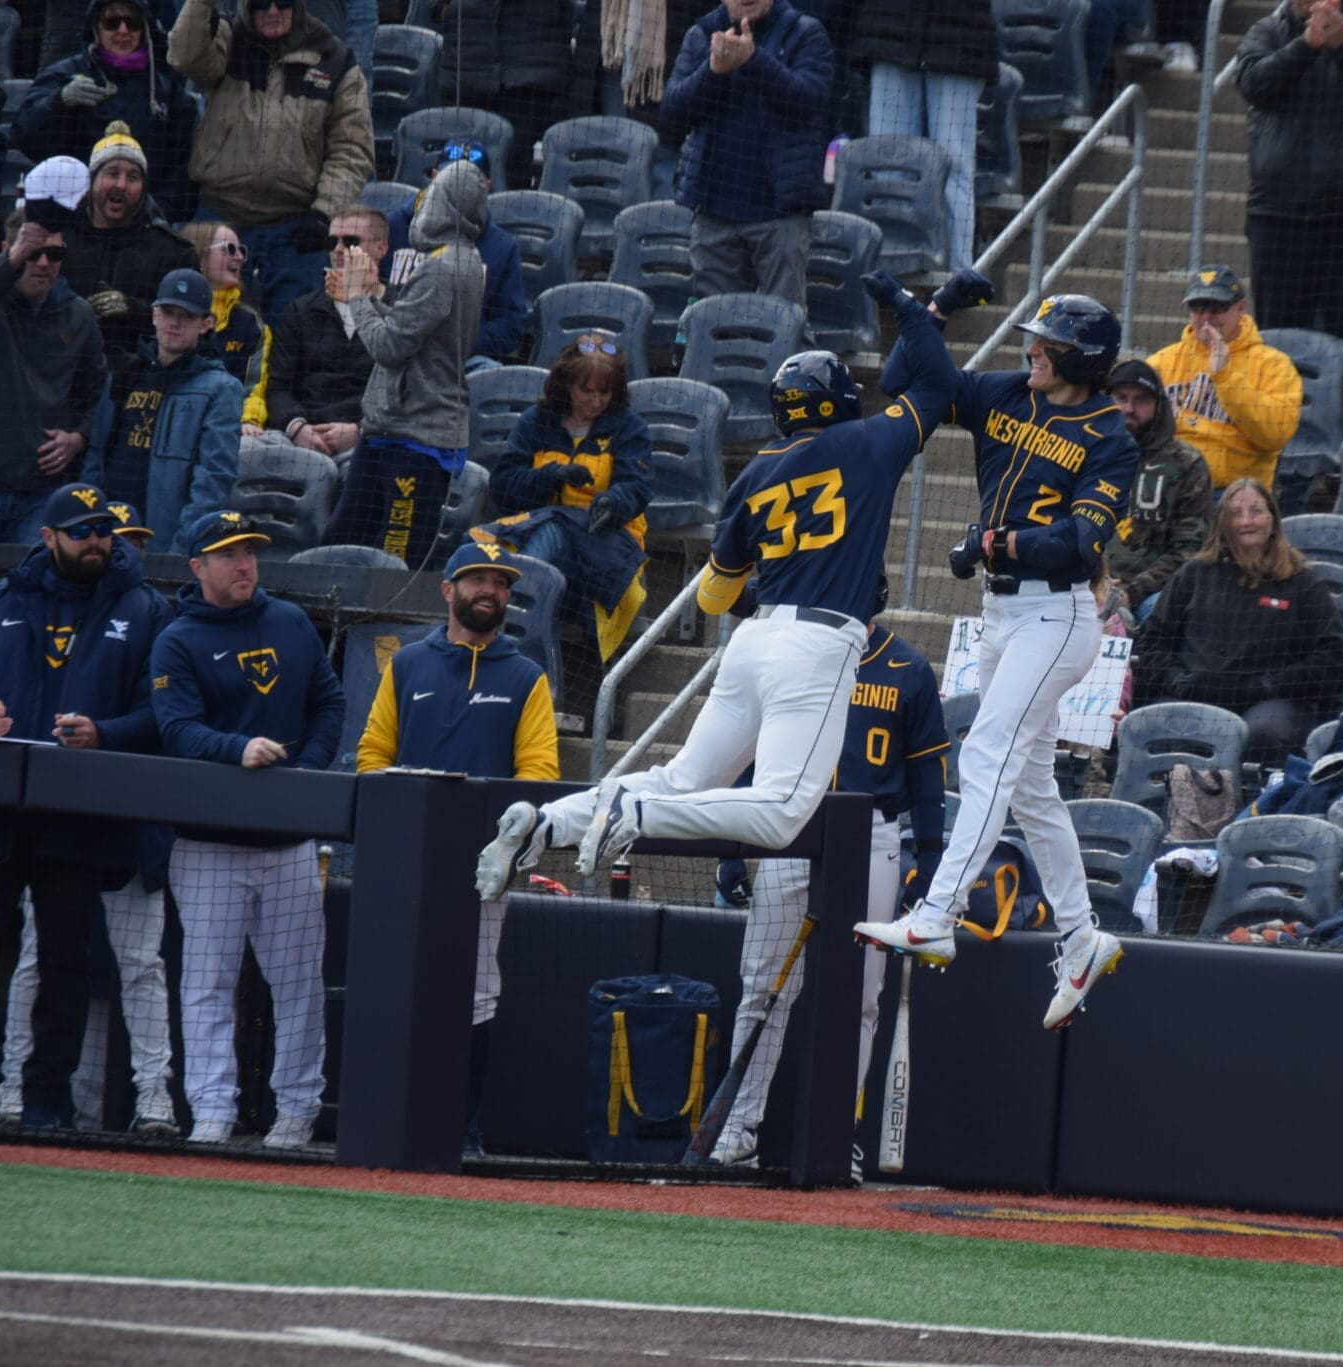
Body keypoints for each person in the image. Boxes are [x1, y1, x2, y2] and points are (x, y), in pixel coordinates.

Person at [474, 273, 960, 895]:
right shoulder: (868, 440)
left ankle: (547, 821)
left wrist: (771, 592)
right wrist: (911, 308)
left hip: (753, 644)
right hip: (818, 646)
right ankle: (633, 815)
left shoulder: (753, 472)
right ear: (838, 401)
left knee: (682, 777)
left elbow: (713, 597)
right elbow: (940, 384)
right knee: (783, 813)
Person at [855, 285, 1141, 1032]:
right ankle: (1081, 937)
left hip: (1058, 615)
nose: (1032, 349)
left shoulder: (1111, 433)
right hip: (1002, 613)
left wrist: (995, 542)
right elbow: (911, 382)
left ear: (1081, 355)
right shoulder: (1009, 392)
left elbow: (1081, 542)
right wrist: (927, 314)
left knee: (985, 753)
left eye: (1046, 342)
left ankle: (937, 912)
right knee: (1032, 788)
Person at [709, 575, 949, 1173]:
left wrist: (931, 863)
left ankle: (841, 1133)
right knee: (764, 987)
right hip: (790, 829)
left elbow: (927, 780)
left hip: (873, 838)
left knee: (861, 999)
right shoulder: (791, 659)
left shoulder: (908, 668)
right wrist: (736, 847)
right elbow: (751, 758)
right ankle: (738, 1129)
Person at [356, 541, 559, 1158]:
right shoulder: (408, 664)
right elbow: (371, 755)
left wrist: (500, 843)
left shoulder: (526, 675)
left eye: (500, 583)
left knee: (476, 999)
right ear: (448, 589)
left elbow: (540, 775)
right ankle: (381, 1122)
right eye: (477, 580)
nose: (490, 592)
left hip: (482, 873)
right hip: (405, 865)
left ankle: (463, 1130)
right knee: (393, 988)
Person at [150, 509, 345, 1146]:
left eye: (250, 552)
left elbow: (328, 702)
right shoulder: (178, 638)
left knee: (299, 986)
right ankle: (211, 1113)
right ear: (197, 566)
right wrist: (237, 749)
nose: (243, 564)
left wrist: (306, 777)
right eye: (229, 554)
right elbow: (175, 730)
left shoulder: (289, 621)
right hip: (207, 846)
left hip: (288, 844)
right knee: (206, 985)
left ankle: (296, 1113)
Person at [0, 495, 179, 1139]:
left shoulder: (147, 609)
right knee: (13, 959)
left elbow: (163, 718)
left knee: (64, 960)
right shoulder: (7, 599)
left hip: (82, 817)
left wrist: (105, 733)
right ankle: (9, 1091)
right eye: (82, 533)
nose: (97, 541)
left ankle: (45, 1100)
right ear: (48, 536)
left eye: (104, 531)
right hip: (4, 811)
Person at [322, 162, 487, 570]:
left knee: (393, 565)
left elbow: (388, 346)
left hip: (416, 438)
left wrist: (359, 298)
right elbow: (407, 332)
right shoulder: (463, 259)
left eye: (432, 195)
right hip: (389, 433)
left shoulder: (442, 268)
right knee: (338, 547)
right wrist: (367, 301)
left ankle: (382, 638)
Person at [168, 0, 375, 321]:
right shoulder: (225, 38)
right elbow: (182, 56)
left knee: (296, 328)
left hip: (297, 225)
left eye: (285, 2)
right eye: (262, 3)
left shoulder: (336, 60)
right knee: (198, 319)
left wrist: (325, 213)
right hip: (218, 214)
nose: (274, 10)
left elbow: (352, 150)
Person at [1235, 0, 1343, 378]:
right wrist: (1307, 45)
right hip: (1279, 218)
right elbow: (1254, 85)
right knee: (1278, 352)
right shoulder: (1266, 32)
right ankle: (1276, 438)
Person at [1131, 477, 1343, 769]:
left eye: (1256, 511)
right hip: (1194, 695)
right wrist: (1177, 681)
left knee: (1263, 732)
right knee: (1150, 724)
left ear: (1273, 519)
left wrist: (1269, 685)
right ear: (1221, 522)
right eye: (1235, 514)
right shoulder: (1193, 574)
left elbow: (1333, 658)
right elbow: (1153, 642)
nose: (1246, 521)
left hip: (1269, 701)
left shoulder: (1302, 582)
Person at [474, 336, 654, 661]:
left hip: (604, 545)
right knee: (491, 544)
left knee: (554, 528)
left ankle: (505, 641)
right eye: (587, 390)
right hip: (549, 545)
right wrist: (551, 476)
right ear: (567, 384)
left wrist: (612, 503)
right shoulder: (536, 422)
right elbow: (502, 485)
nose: (596, 401)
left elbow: (637, 487)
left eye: (605, 391)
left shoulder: (629, 427)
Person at [658, 0, 834, 313]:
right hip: (714, 214)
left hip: (781, 216)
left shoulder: (805, 33)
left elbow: (809, 101)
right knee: (714, 327)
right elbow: (672, 114)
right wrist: (713, 72)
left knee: (784, 328)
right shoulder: (702, 34)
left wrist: (752, 60)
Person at [81, 267, 244, 556]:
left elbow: (213, 478)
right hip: (106, 530)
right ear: (155, 315)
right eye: (168, 313)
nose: (175, 323)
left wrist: (182, 549)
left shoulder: (221, 388)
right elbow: (95, 454)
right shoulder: (123, 374)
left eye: (187, 316)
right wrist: (90, 522)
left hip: (165, 540)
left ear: (206, 323)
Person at [11, 0, 199, 222]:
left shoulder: (166, 91)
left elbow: (181, 171)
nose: (123, 30)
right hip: (75, 222)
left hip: (145, 225)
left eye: (132, 22)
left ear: (144, 28)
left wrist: (155, 214)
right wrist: (59, 101)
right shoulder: (66, 74)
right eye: (112, 22)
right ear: (96, 27)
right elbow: (23, 135)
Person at [852, 0, 994, 276]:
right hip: (890, 30)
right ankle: (888, 272)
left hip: (960, 38)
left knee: (953, 166)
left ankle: (959, 279)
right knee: (888, 166)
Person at [0, 207, 108, 545]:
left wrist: (78, 438)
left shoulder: (79, 315)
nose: (44, 263)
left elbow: (97, 394)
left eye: (54, 253)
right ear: (10, 251)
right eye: (33, 253)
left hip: (42, 496)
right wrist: (12, 259)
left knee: (34, 589)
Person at [1147, 264, 1302, 493]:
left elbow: (1275, 435)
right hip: (1167, 489)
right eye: (1198, 307)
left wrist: (1225, 375)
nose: (1206, 317)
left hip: (1233, 496)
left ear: (1241, 308)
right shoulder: (1162, 362)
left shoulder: (1274, 365)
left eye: (1216, 307)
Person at [59, 122, 198, 373]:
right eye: (112, 173)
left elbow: (191, 325)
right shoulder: (60, 242)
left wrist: (134, 309)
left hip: (142, 379)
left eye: (133, 177)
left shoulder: (173, 251)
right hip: (65, 372)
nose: (121, 185)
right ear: (92, 181)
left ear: (143, 188)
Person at [383, 144, 530, 369]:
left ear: (487, 186)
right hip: (396, 350)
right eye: (448, 177)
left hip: (461, 360)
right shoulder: (393, 226)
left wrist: (455, 343)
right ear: (434, 177)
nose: (455, 187)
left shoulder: (502, 246)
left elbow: (511, 324)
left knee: (490, 371)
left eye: (467, 180)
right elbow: (372, 288)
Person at [412, 0, 576, 189]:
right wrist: (450, 9)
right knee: (460, 172)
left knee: (513, 173)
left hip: (530, 71)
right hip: (466, 67)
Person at [262, 202, 381, 460]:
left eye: (350, 241)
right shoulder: (299, 311)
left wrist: (360, 430)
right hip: (301, 436)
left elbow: (407, 393)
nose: (337, 250)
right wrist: (298, 427)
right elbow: (278, 385)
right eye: (331, 242)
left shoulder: (399, 313)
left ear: (381, 248)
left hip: (371, 440)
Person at [1101, 358, 1212, 625]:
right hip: (1085, 586)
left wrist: (1131, 593)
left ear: (1158, 405)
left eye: (1141, 400)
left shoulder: (1187, 464)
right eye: (1121, 398)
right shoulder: (1085, 453)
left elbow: (1189, 551)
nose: (1129, 408)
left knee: (1159, 612)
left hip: (1151, 593)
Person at [179, 219, 271, 434]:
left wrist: (249, 420)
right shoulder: (171, 313)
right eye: (229, 249)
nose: (239, 257)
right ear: (199, 255)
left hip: (228, 426)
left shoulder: (251, 324)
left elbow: (255, 388)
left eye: (241, 250)